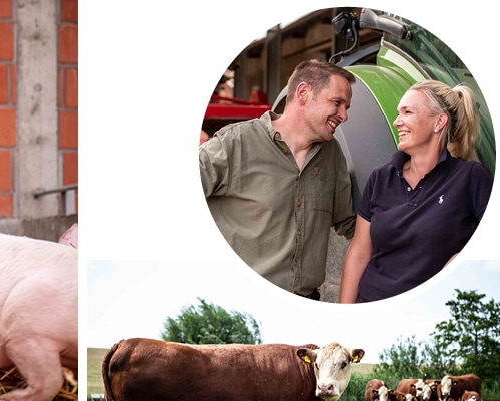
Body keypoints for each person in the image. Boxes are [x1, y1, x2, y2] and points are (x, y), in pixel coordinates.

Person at [200, 58, 358, 299]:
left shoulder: (332, 154)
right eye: (337, 103)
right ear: (304, 93)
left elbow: (348, 223)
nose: (344, 116)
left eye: (346, 107)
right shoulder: (234, 144)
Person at [339, 80, 492, 303]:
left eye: (407, 112)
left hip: (426, 313)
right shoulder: (381, 177)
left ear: (439, 122)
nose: (396, 121)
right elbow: (359, 254)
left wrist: (461, 261)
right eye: (398, 113)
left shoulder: (470, 178)